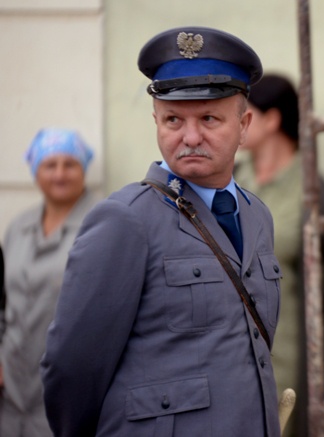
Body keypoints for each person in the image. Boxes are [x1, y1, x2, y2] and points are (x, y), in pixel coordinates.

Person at [40, 27, 282, 437]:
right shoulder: (125, 220)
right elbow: (72, 368)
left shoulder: (257, 215)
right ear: (156, 120)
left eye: (209, 118)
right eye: (173, 119)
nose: (189, 138)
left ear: (243, 124)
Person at [235, 74, 324, 435]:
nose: (235, 124)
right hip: (226, 344)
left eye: (244, 113)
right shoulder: (230, 180)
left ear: (272, 120)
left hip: (283, 351)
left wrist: (303, 313)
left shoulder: (312, 189)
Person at [1, 128, 97, 437]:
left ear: (83, 169)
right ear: (35, 171)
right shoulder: (19, 227)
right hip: (11, 390)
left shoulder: (103, 223)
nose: (60, 174)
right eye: (49, 165)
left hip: (68, 389)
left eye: (69, 164)